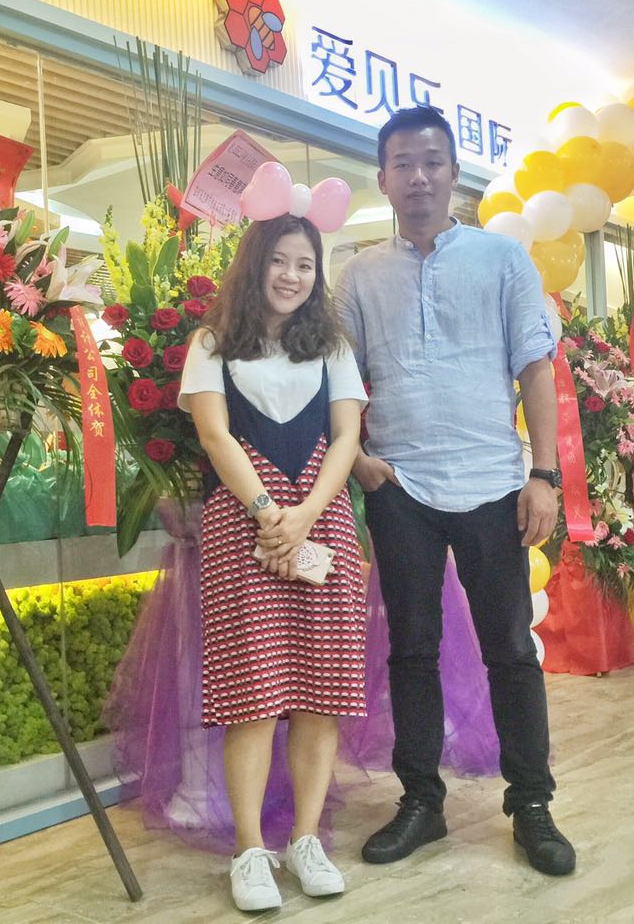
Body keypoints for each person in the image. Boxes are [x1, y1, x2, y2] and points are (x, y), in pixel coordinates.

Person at [335, 105, 575, 877]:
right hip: (399, 486)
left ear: (453, 173)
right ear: (383, 178)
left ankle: (531, 804)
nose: (418, 177)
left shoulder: (503, 260)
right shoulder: (359, 274)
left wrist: (544, 474)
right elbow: (338, 378)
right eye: (403, 164)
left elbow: (535, 368)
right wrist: (358, 458)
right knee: (412, 650)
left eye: (432, 161)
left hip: (494, 484)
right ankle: (421, 802)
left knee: (511, 650)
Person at [180, 208, 368, 912]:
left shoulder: (333, 347)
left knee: (324, 691)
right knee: (251, 695)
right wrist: (269, 514)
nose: (292, 275)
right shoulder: (211, 343)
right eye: (279, 261)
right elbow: (213, 433)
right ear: (254, 265)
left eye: (305, 264)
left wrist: (306, 515)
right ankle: (250, 851)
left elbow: (347, 437)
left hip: (324, 520)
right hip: (242, 523)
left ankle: (306, 840)